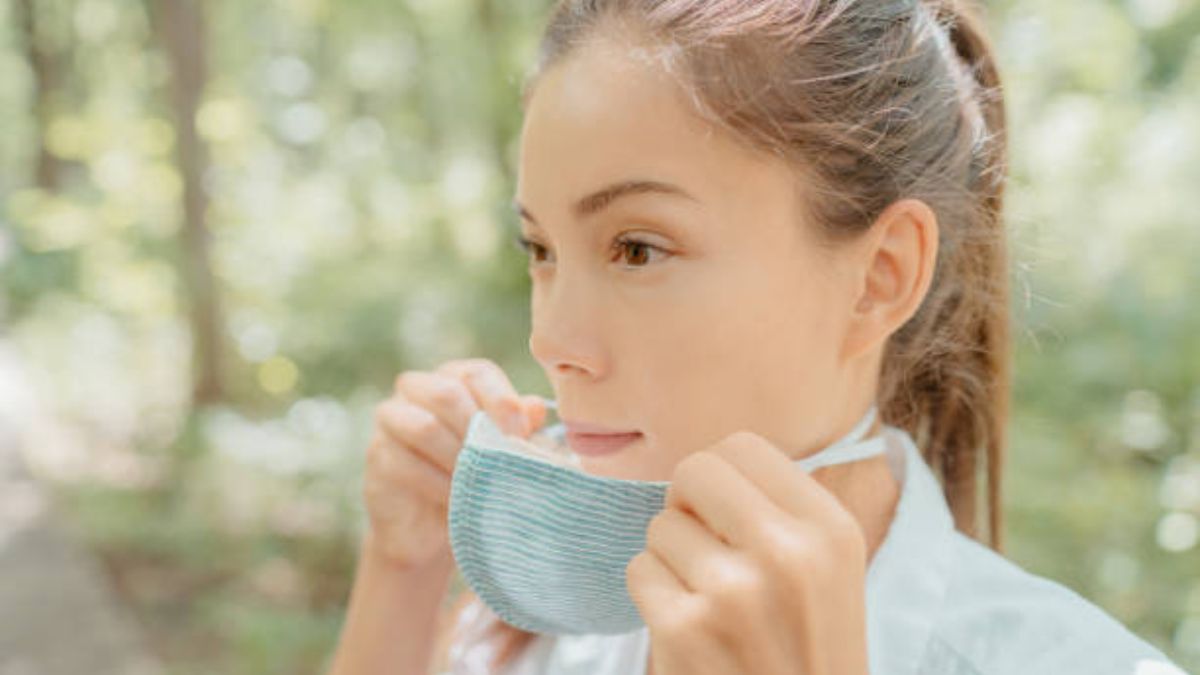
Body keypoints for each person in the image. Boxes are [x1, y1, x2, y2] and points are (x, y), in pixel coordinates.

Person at [327, 0, 1190, 673]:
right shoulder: (541, 627)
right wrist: (401, 573)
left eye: (637, 248)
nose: (551, 341)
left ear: (880, 276)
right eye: (541, 250)